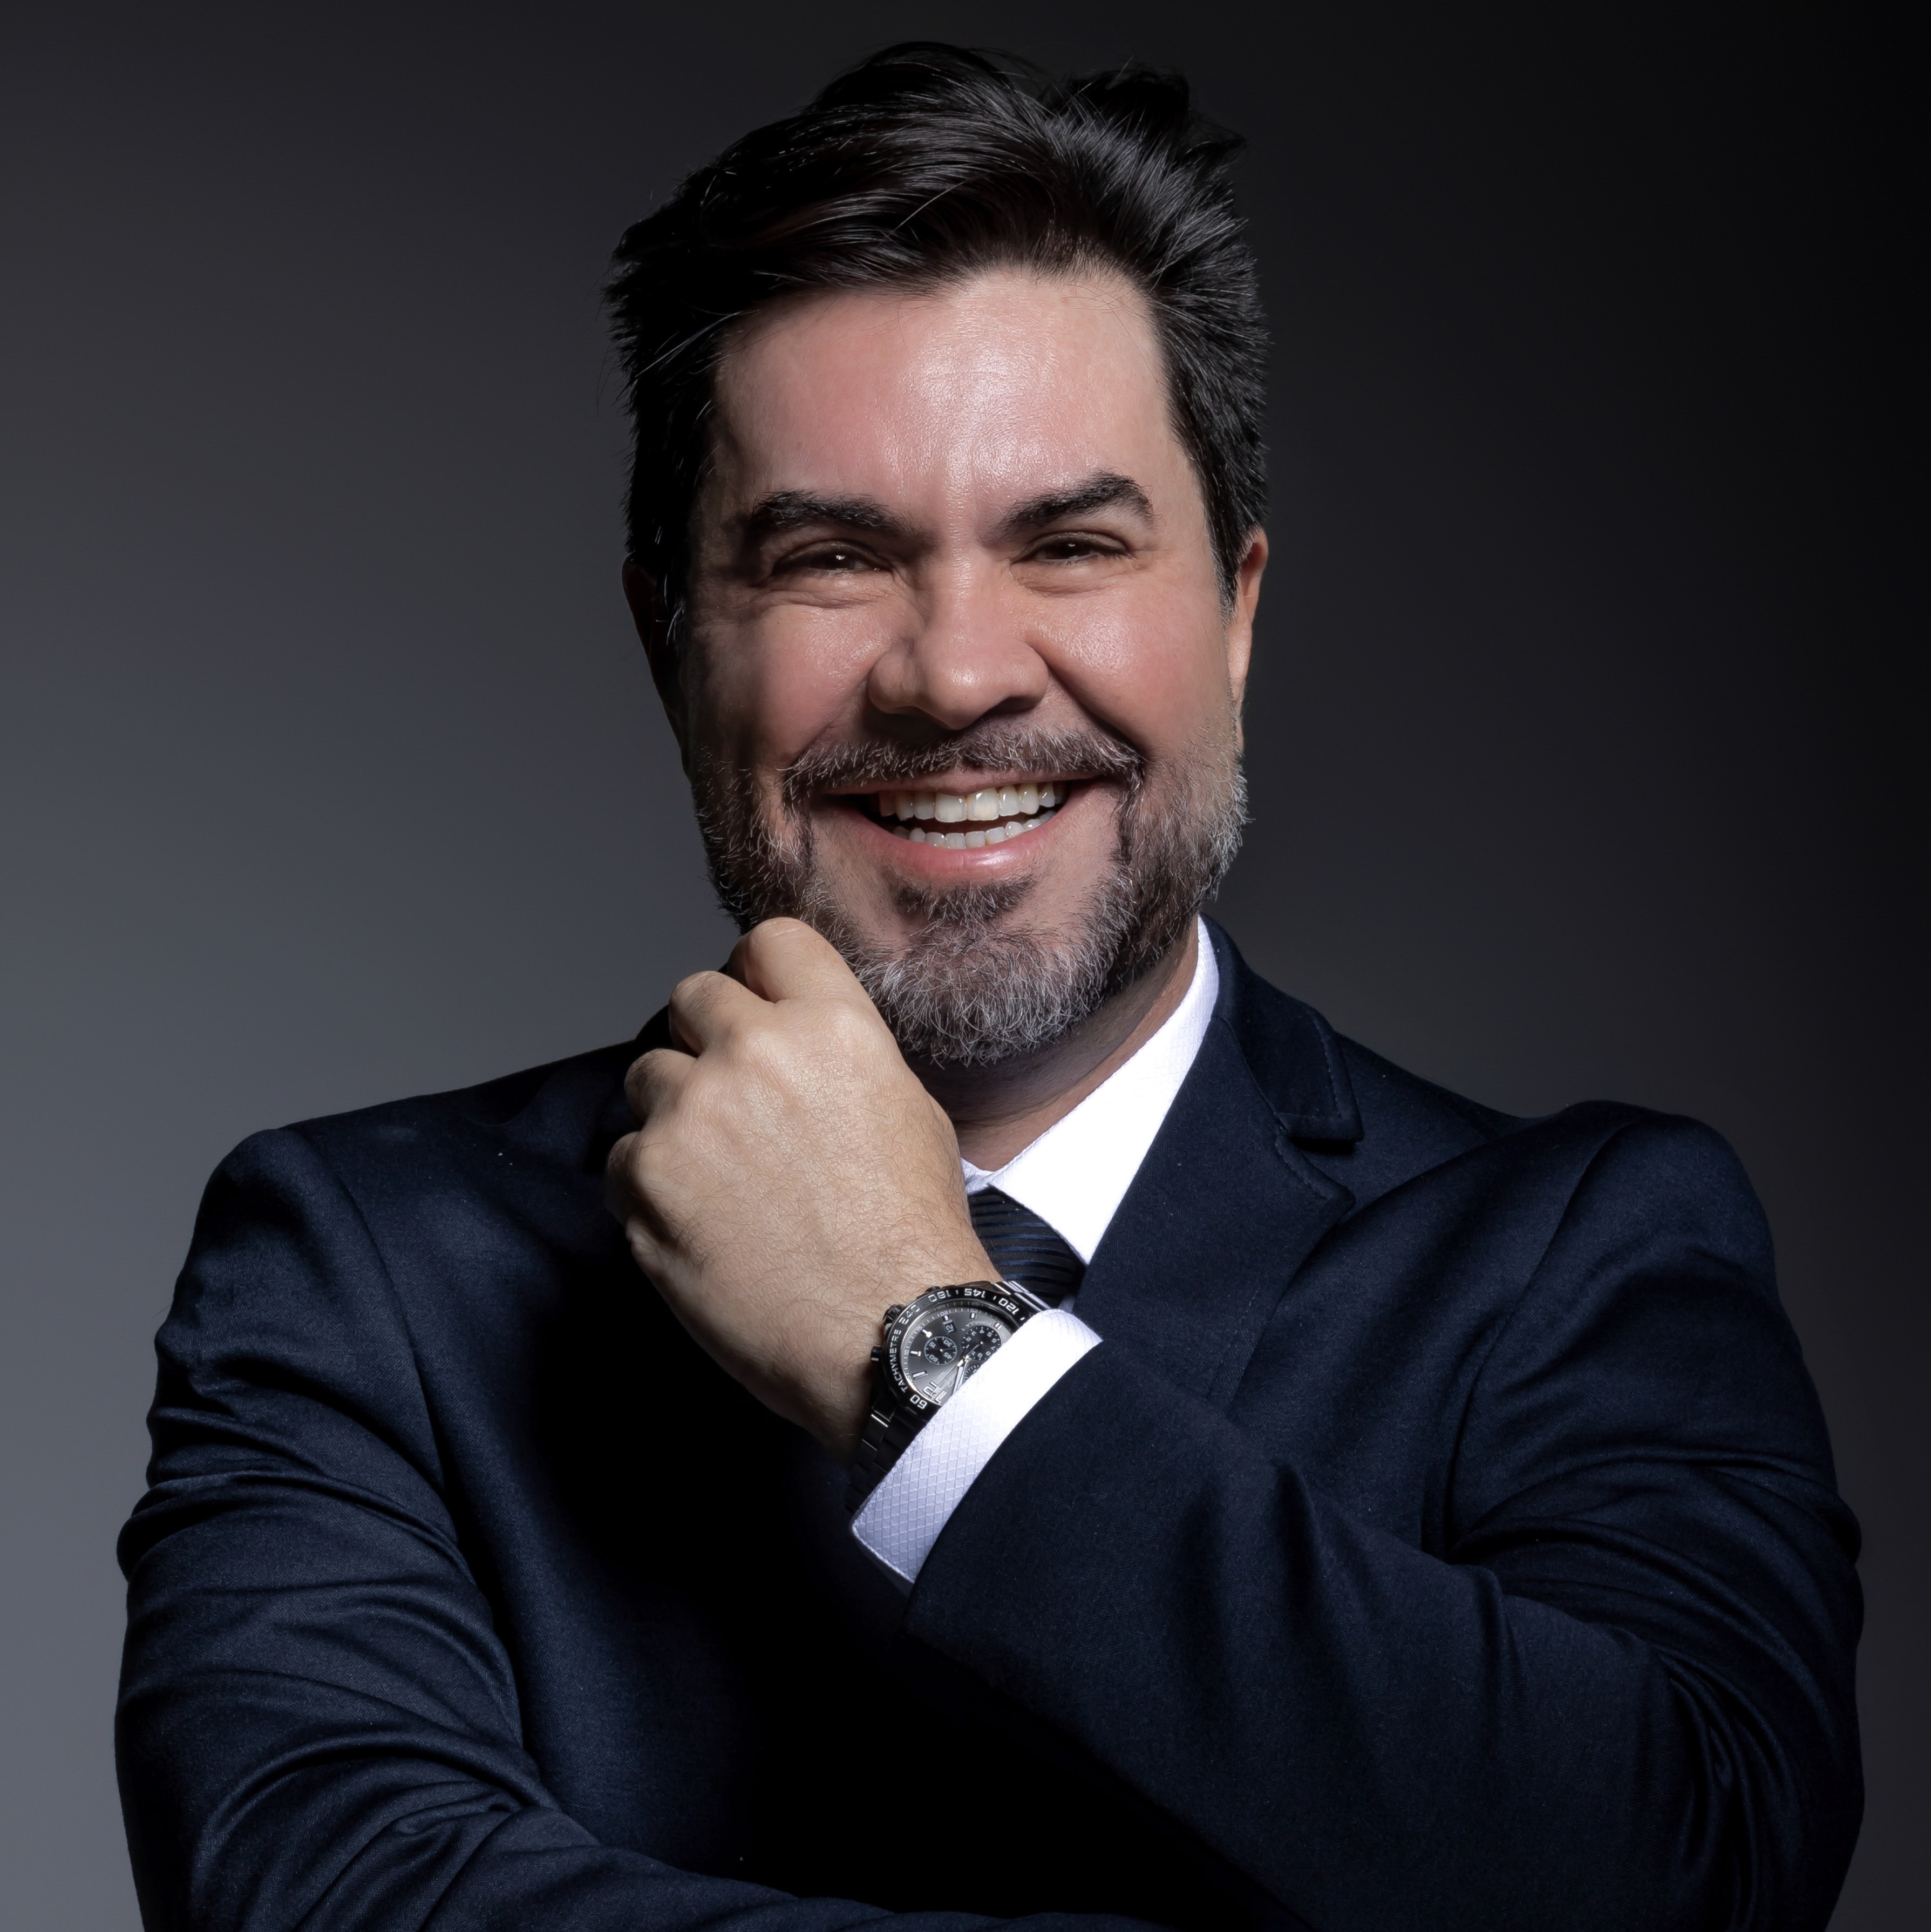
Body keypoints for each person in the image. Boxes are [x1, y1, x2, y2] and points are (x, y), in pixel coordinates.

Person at [114, 43, 1861, 1932]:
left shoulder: (1576, 1252)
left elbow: (1685, 1873)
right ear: (666, 640)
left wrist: (923, 1347)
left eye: (1071, 545)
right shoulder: (363, 1272)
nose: (955, 675)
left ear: (1236, 611)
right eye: (831, 557)